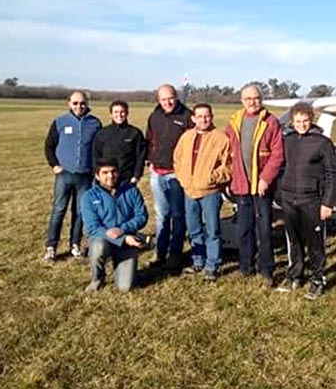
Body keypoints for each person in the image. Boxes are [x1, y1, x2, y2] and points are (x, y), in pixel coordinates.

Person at [276, 102, 336, 300]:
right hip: (288, 198)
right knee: (293, 240)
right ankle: (295, 275)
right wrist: (280, 195)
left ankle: (317, 279)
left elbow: (332, 174)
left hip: (311, 199)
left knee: (315, 243)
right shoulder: (287, 140)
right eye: (297, 121)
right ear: (292, 122)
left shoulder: (322, 143)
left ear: (311, 120)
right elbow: (279, 167)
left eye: (305, 121)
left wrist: (327, 203)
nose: (301, 125)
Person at [226, 84, 284, 286]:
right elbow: (227, 152)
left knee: (264, 229)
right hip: (241, 184)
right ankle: (245, 266)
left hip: (262, 187)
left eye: (256, 98)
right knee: (243, 228)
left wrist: (266, 178)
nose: (252, 102)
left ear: (261, 99)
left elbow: (277, 155)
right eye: (248, 98)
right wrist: (228, 179)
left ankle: (266, 269)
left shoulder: (271, 122)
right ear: (242, 101)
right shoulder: (234, 121)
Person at [174, 104, 232, 281]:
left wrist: (212, 177)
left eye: (206, 116)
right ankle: (198, 260)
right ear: (193, 118)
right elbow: (177, 159)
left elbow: (229, 165)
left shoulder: (221, 138)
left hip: (210, 192)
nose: (203, 119)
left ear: (212, 117)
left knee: (212, 229)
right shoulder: (186, 137)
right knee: (193, 228)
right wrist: (183, 178)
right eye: (199, 116)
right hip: (189, 191)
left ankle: (212, 265)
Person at [43, 91, 102, 260]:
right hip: (65, 175)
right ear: (69, 103)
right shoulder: (60, 122)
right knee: (59, 210)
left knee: (80, 212)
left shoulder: (95, 123)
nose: (79, 107)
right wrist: (54, 165)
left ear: (87, 104)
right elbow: (49, 146)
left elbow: (98, 149)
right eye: (75, 103)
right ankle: (51, 246)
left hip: (85, 176)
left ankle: (75, 244)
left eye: (82, 103)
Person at [81, 159, 148, 292]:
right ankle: (98, 279)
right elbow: (93, 228)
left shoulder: (131, 191)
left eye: (114, 172)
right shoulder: (88, 197)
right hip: (103, 238)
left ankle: (122, 265)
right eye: (105, 173)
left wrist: (122, 230)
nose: (110, 176)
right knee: (98, 247)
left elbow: (142, 216)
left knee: (125, 287)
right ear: (97, 175)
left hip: (128, 240)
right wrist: (121, 238)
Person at [145, 84, 193, 271]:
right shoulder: (154, 116)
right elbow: (149, 140)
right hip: (157, 173)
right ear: (159, 100)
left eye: (170, 98)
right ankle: (159, 251)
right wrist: (151, 160)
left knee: (178, 215)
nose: (167, 102)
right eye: (163, 99)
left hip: (176, 174)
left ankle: (175, 254)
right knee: (161, 215)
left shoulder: (186, 116)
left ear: (176, 96)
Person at [92, 100, 146, 185]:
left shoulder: (135, 133)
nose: (119, 115)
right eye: (116, 112)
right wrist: (97, 173)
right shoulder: (102, 133)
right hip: (106, 178)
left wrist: (136, 175)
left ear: (127, 113)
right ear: (111, 114)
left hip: (127, 179)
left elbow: (140, 156)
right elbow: (96, 155)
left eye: (122, 112)